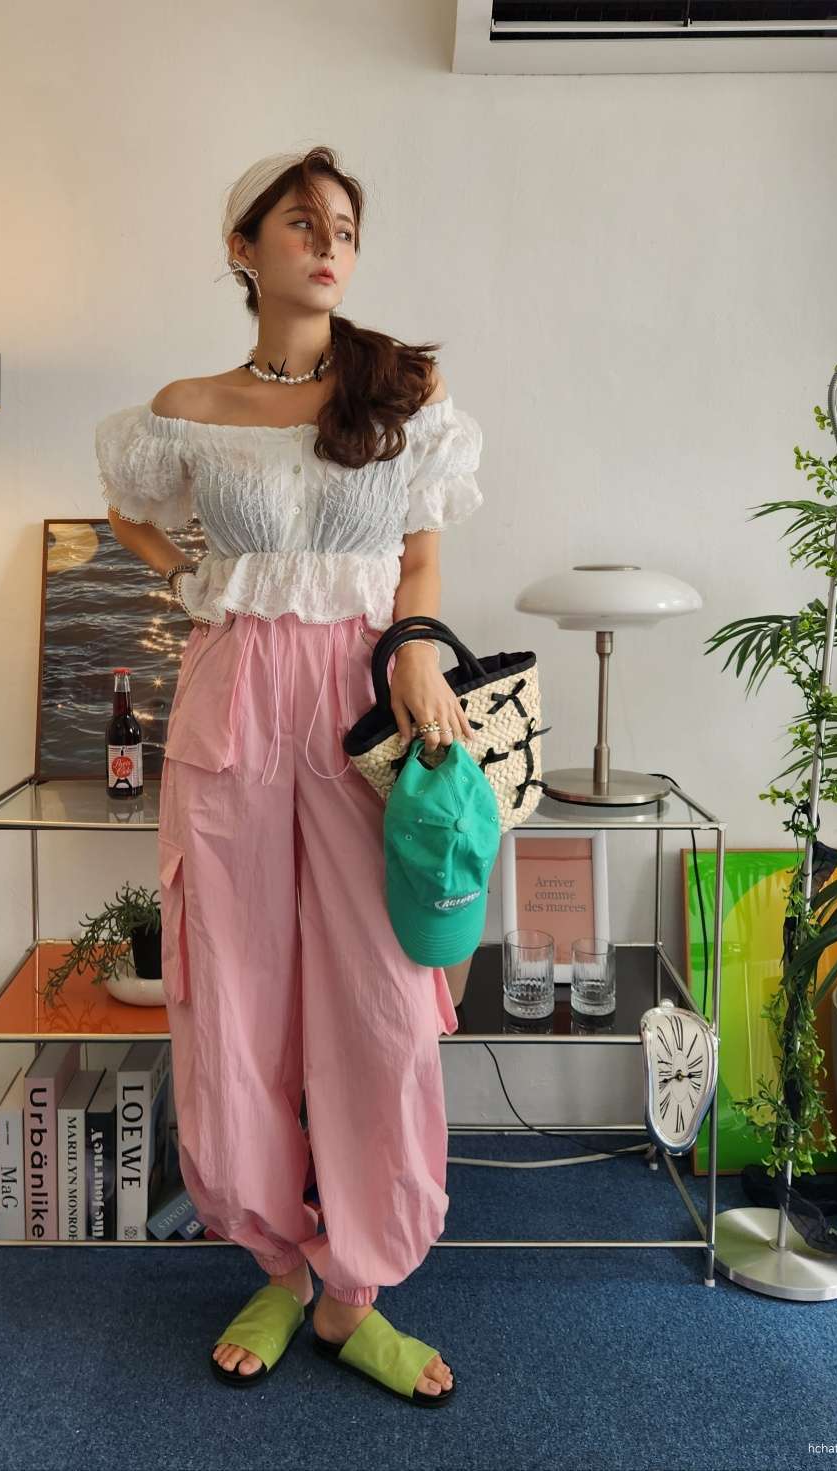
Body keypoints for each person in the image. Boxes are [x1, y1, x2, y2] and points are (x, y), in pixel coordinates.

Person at [95, 146, 484, 1405]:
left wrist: (415, 646)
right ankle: (274, 1259)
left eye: (344, 228)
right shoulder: (187, 407)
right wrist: (185, 575)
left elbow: (419, 557)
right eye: (302, 223)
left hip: (363, 705)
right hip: (232, 707)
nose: (328, 245)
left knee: (380, 1000)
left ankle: (352, 1287)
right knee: (237, 996)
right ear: (243, 248)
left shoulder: (401, 390)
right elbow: (128, 510)